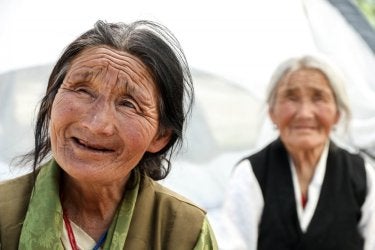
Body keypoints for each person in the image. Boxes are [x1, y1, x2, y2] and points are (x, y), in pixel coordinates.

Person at [0, 20, 217, 249]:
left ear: (160, 136)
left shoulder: (184, 232)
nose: (97, 125)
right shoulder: (4, 214)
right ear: (51, 101)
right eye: (82, 90)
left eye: (128, 104)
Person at [221, 55, 375, 250]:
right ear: (272, 112)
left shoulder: (361, 175)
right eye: (291, 98)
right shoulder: (251, 174)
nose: (304, 113)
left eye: (319, 98)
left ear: (337, 113)